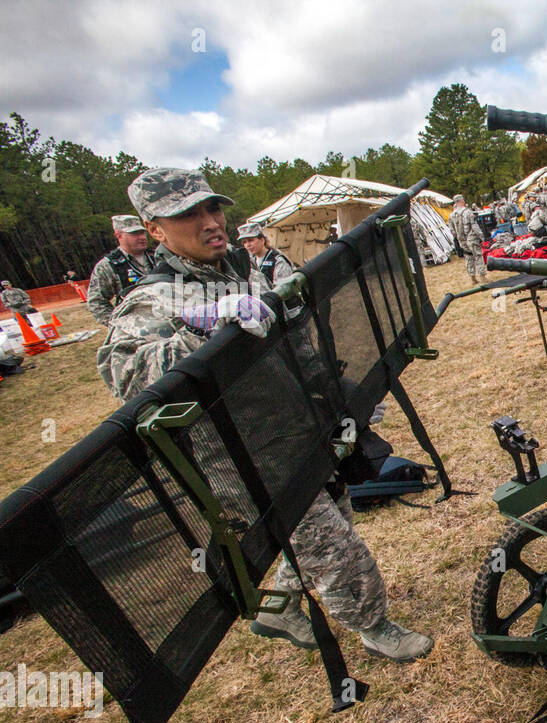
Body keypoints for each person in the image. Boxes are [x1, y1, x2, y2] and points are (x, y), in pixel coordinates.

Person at [97, 166, 433, 661]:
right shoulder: (152, 299)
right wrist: (201, 333)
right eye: (189, 214)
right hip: (246, 458)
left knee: (330, 516)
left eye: (213, 208)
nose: (211, 221)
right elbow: (124, 375)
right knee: (334, 545)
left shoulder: (241, 272)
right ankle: (375, 627)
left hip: (295, 433)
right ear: (155, 230)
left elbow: (293, 344)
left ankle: (281, 608)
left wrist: (342, 395)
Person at [86, 215, 157, 325]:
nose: (142, 237)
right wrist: (119, 325)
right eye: (134, 234)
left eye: (142, 233)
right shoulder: (108, 265)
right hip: (137, 326)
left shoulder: (158, 257)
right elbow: (96, 302)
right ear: (118, 236)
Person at [448, 193, 487, 284]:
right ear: (462, 201)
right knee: (478, 256)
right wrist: (481, 237)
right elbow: (474, 226)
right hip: (471, 237)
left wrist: (458, 238)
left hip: (461, 239)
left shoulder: (452, 215)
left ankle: (473, 278)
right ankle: (482, 277)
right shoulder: (467, 212)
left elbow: (451, 230)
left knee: (468, 257)